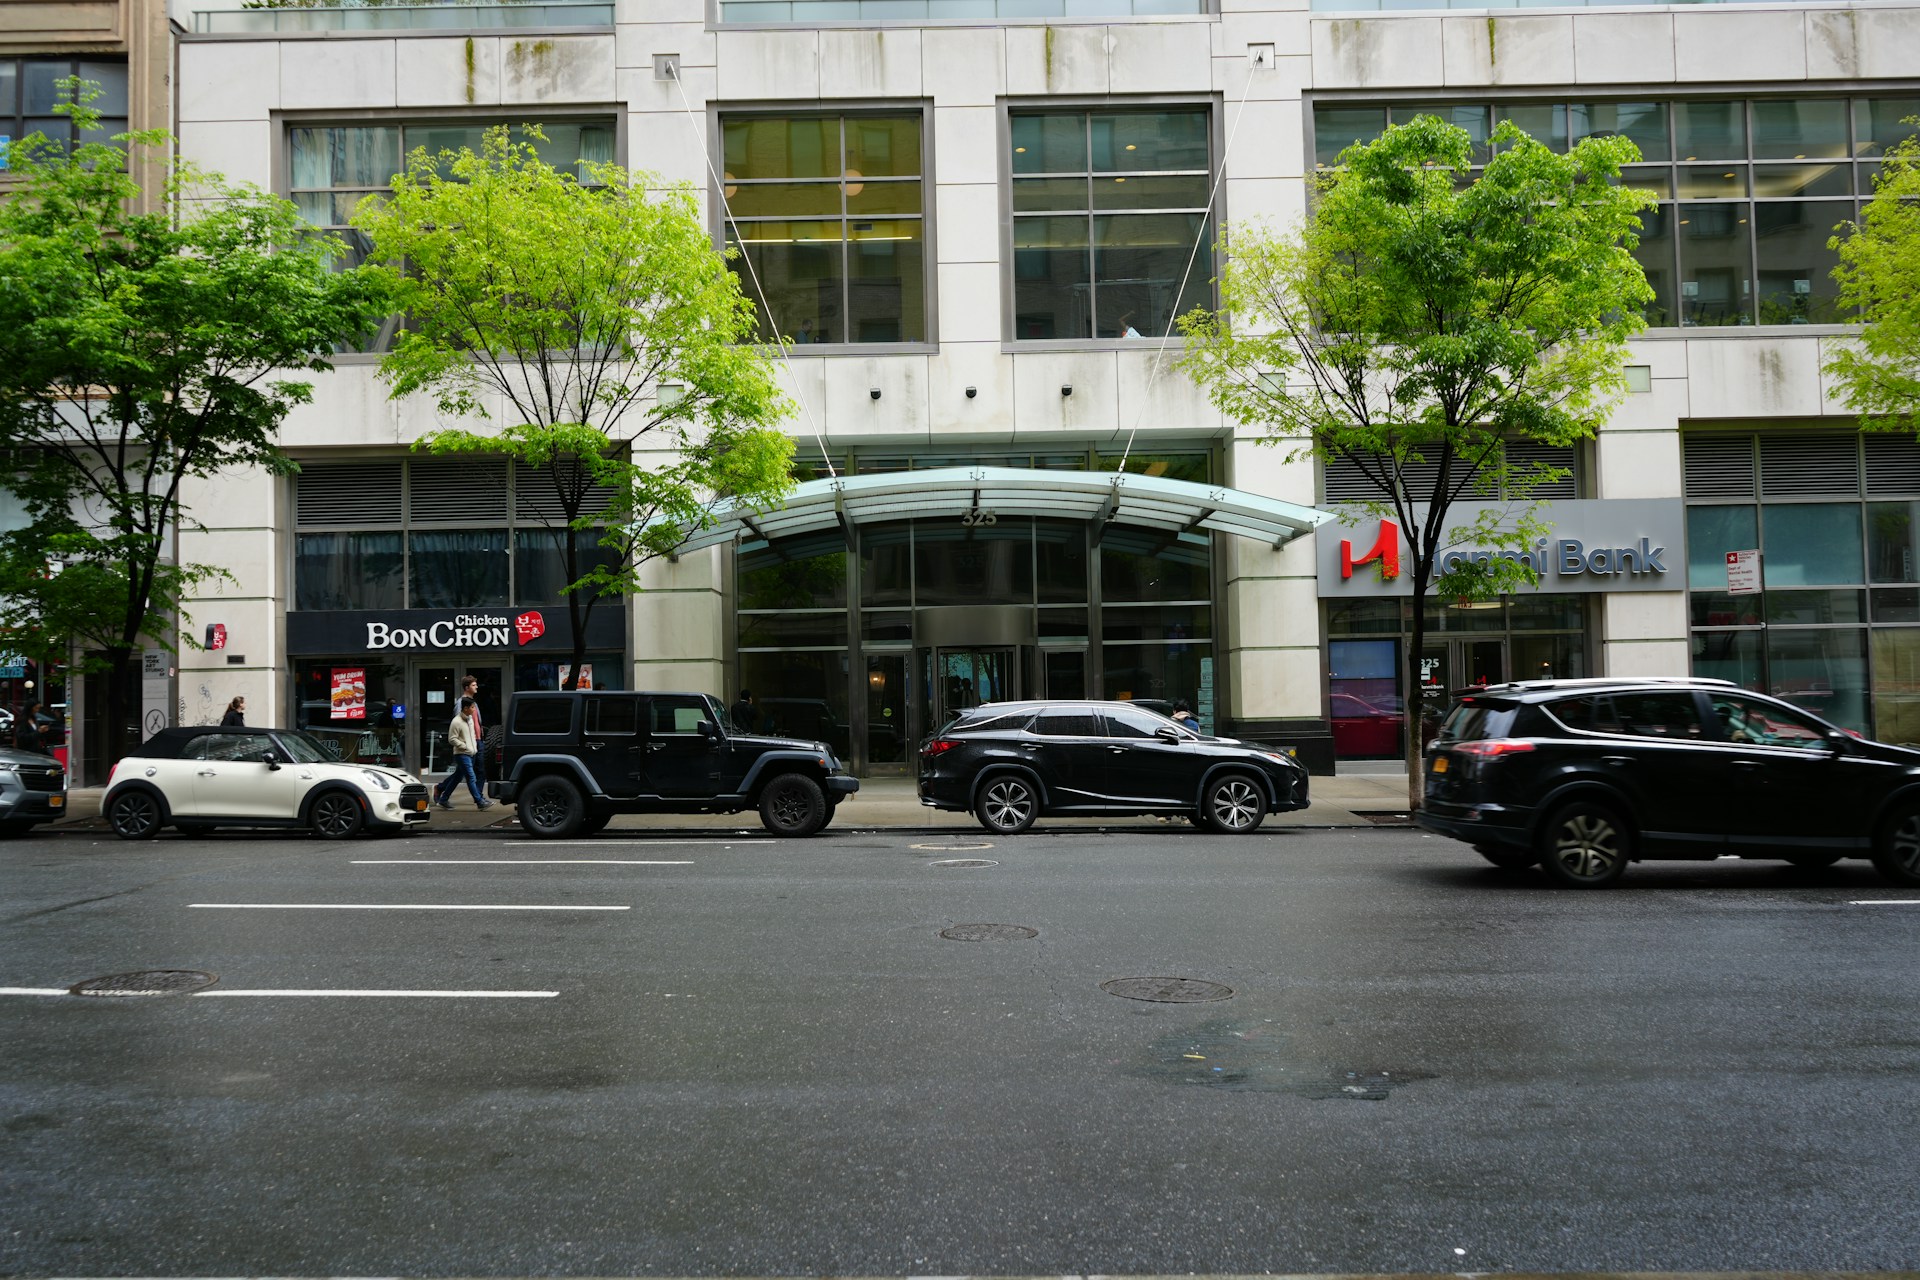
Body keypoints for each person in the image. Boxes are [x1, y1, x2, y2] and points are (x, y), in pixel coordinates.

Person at [434, 696, 492, 811]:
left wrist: (473, 748)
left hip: (470, 752)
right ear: (465, 708)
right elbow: (452, 739)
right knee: (471, 777)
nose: (474, 709)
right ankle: (479, 801)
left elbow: (472, 736)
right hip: (462, 754)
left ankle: (444, 799)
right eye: (472, 707)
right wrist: (465, 746)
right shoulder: (456, 722)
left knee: (457, 777)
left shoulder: (469, 719)